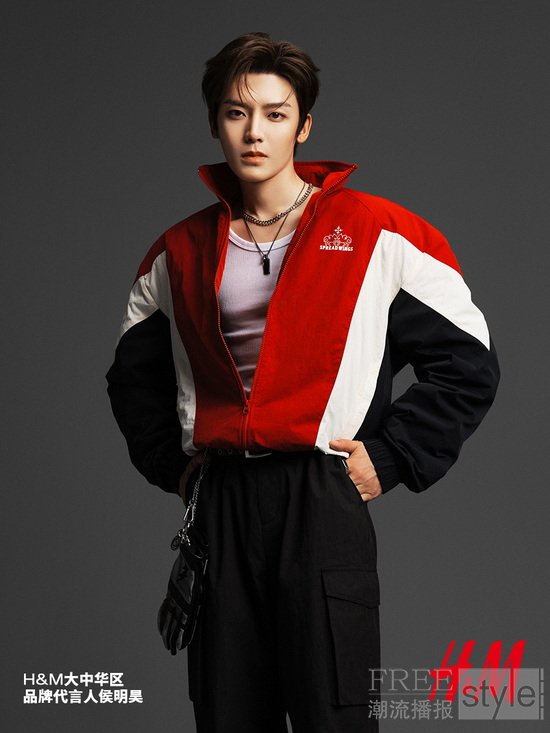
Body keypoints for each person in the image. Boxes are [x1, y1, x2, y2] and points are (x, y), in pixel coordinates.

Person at [106, 32, 500, 733]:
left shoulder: (378, 231)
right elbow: (133, 381)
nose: (254, 131)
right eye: (236, 113)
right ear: (215, 124)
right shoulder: (178, 251)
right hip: (222, 500)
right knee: (228, 713)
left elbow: (468, 361)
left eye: (275, 113)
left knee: (335, 714)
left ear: (304, 126)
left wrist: (394, 456)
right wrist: (175, 466)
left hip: (321, 497)